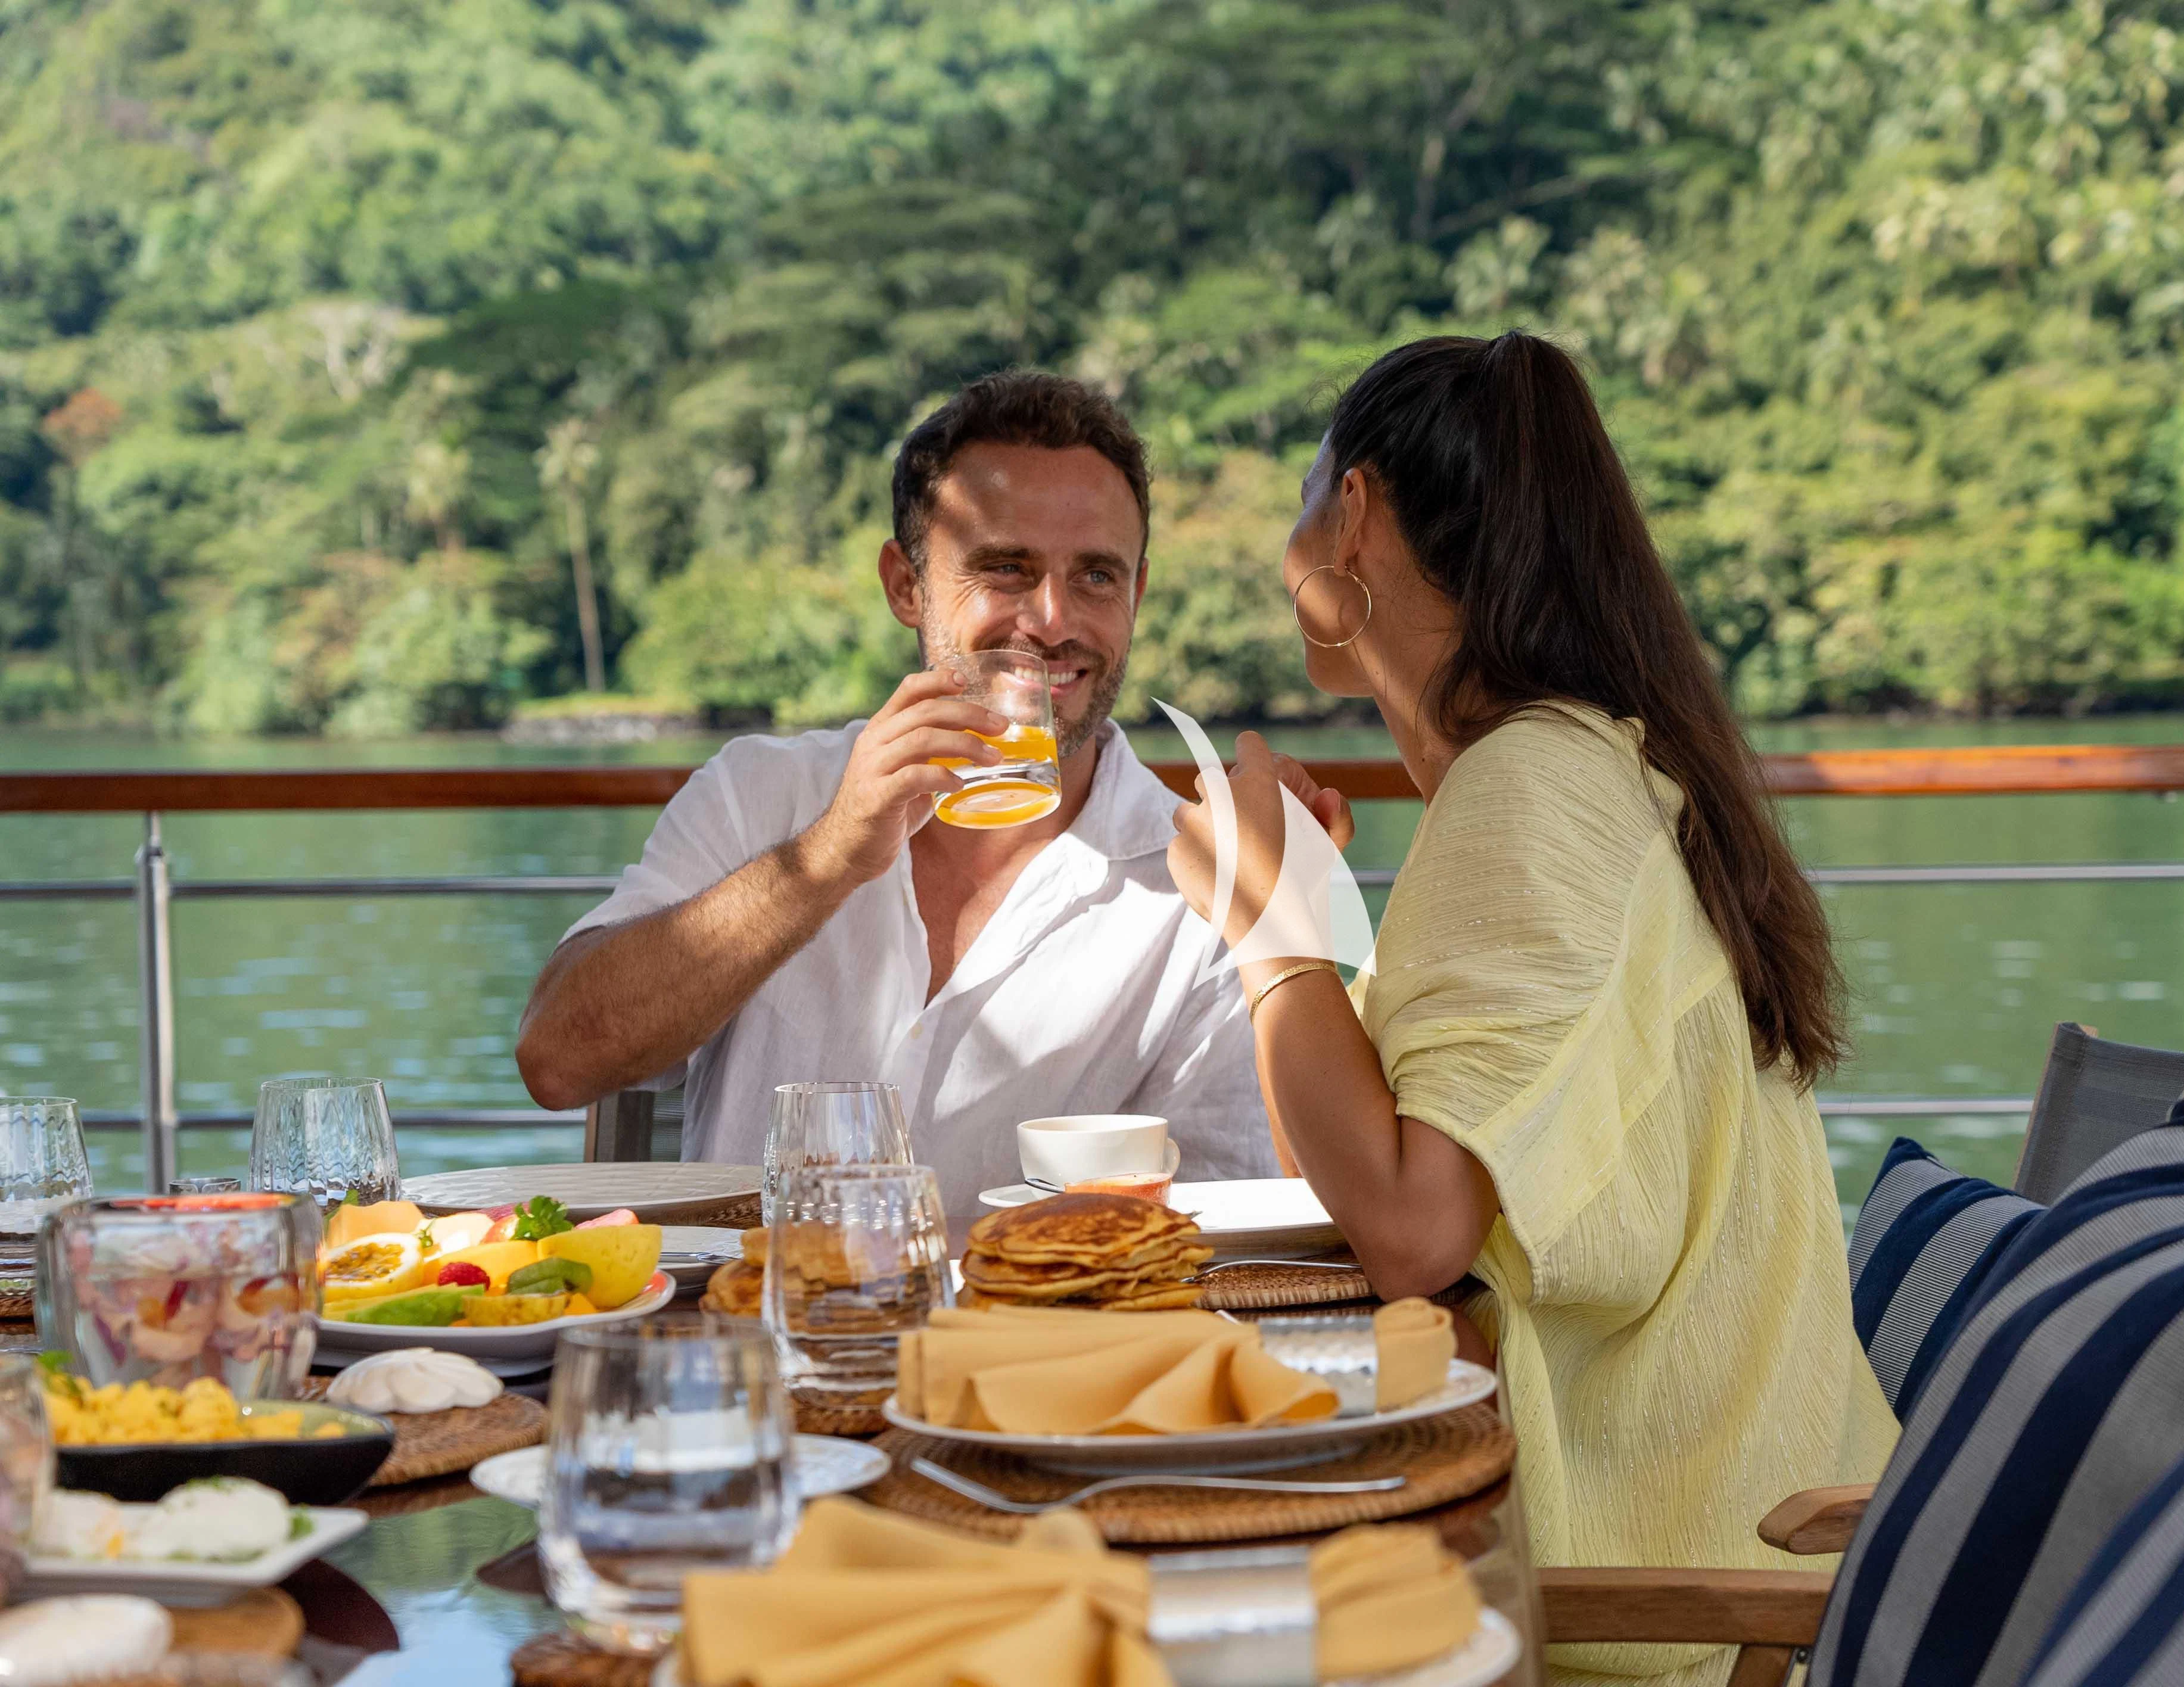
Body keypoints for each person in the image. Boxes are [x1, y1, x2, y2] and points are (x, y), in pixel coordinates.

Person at [1167, 334, 1896, 1686]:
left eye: (1302, 498)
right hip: (1721, 1565)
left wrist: (1268, 930)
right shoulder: (1583, 766)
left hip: (1653, 1612)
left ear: (1359, 513)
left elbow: (1406, 1228)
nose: (1285, 548)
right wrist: (1310, 929)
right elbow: (1386, 1171)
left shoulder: (1534, 789)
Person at [517, 372, 1274, 1214]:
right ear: (906, 586)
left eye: (1096, 576)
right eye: (1006, 568)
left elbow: (1220, 1226)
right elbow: (558, 1061)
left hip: (1024, 1342)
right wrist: (826, 857)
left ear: (1136, 594)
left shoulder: (1201, 886)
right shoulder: (760, 792)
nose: (1053, 619)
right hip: (749, 1334)